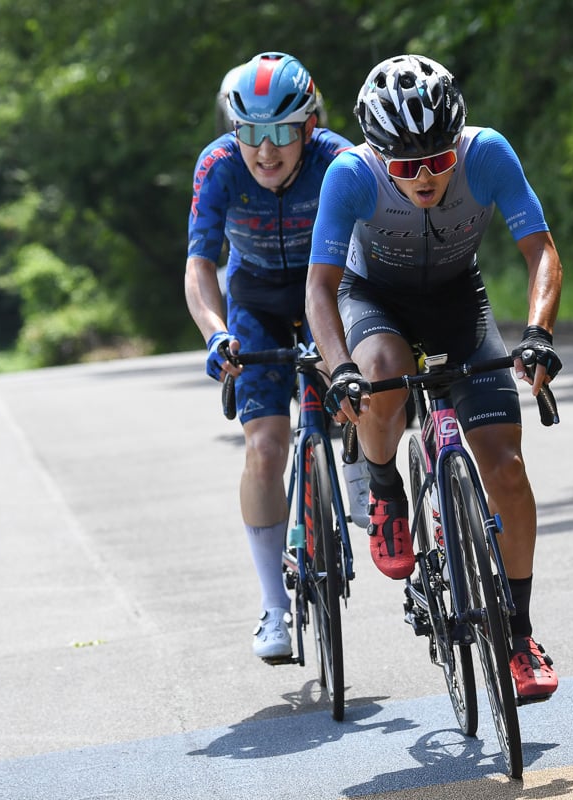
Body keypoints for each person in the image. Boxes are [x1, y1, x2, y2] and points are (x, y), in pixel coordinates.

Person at [305, 54, 563, 701]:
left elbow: (542, 254)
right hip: (375, 300)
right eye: (405, 165)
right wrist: (340, 370)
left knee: (506, 467)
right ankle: (386, 486)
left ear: (458, 144)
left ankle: (520, 634)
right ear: (378, 154)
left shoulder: (489, 154)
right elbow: (321, 289)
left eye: (438, 160)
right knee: (383, 375)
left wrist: (537, 334)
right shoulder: (350, 175)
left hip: (456, 301)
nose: (423, 177)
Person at [184, 52, 363, 663]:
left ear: (309, 127)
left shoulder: (338, 160)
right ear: (234, 132)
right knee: (264, 448)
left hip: (327, 288)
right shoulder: (217, 167)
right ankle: (273, 606)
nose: (265, 151)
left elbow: (372, 252)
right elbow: (200, 267)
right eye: (251, 134)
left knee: (354, 395)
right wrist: (214, 334)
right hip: (255, 300)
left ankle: (362, 466)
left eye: (281, 132)